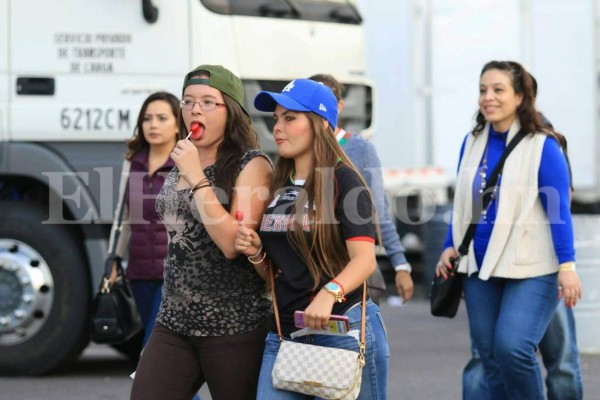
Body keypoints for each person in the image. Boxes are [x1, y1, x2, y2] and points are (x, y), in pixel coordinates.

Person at [435, 60, 583, 400]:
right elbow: (465, 204)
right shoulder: (471, 142)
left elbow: (559, 211)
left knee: (513, 348)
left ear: (519, 96)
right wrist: (449, 245)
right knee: (490, 360)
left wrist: (568, 267)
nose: (488, 97)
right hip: (479, 267)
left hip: (532, 267)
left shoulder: (543, 145)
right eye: (483, 90)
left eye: (498, 90)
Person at [234, 78, 390, 399]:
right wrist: (255, 253)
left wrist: (330, 292)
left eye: (290, 118)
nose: (278, 127)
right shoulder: (278, 184)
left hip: (341, 329)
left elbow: (364, 260)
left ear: (319, 124)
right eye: (276, 118)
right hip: (285, 334)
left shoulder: (346, 181)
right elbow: (277, 273)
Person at [130, 65, 273, 400]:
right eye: (188, 101)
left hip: (233, 326)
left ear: (232, 111)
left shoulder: (251, 164)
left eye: (209, 102)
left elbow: (230, 244)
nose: (195, 109)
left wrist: (197, 177)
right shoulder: (183, 156)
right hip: (174, 323)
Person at [309, 74, 414, 305]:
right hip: (309, 271)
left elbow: (378, 209)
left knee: (357, 337)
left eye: (326, 103)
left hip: (351, 267)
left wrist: (400, 264)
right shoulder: (300, 152)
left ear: (339, 106)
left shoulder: (359, 149)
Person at [108, 91, 180, 351]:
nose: (153, 125)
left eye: (162, 118)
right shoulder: (133, 162)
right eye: (147, 118)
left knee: (154, 349)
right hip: (138, 273)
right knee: (159, 356)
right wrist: (113, 259)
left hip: (173, 275)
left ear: (177, 124)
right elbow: (123, 216)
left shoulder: (184, 163)